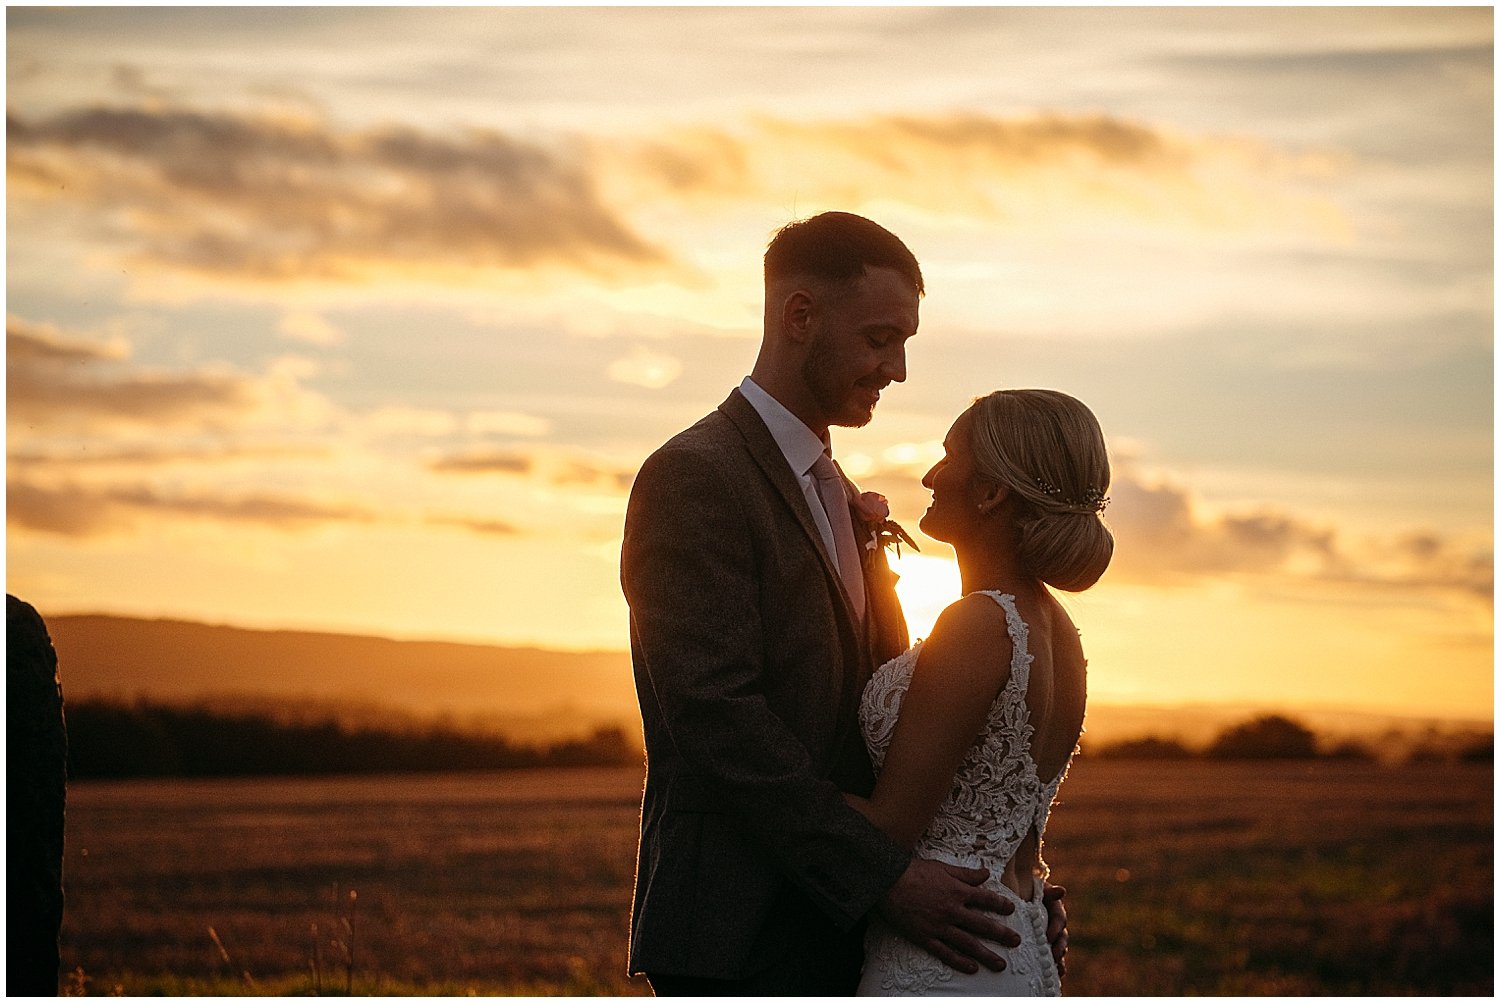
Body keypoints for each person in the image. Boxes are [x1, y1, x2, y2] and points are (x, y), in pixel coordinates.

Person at [620, 212, 1065, 995]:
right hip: (740, 931)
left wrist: (1000, 880)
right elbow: (715, 716)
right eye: (880, 338)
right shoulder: (696, 475)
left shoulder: (835, 492)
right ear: (800, 316)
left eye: (905, 344)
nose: (895, 368)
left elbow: (893, 717)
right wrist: (884, 873)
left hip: (852, 928)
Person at [852, 389, 1112, 996]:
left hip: (945, 956)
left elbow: (889, 829)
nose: (930, 475)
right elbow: (1011, 827)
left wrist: (760, 784)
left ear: (993, 492)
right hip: (1014, 939)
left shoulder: (976, 624)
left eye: (949, 455)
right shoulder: (1060, 634)